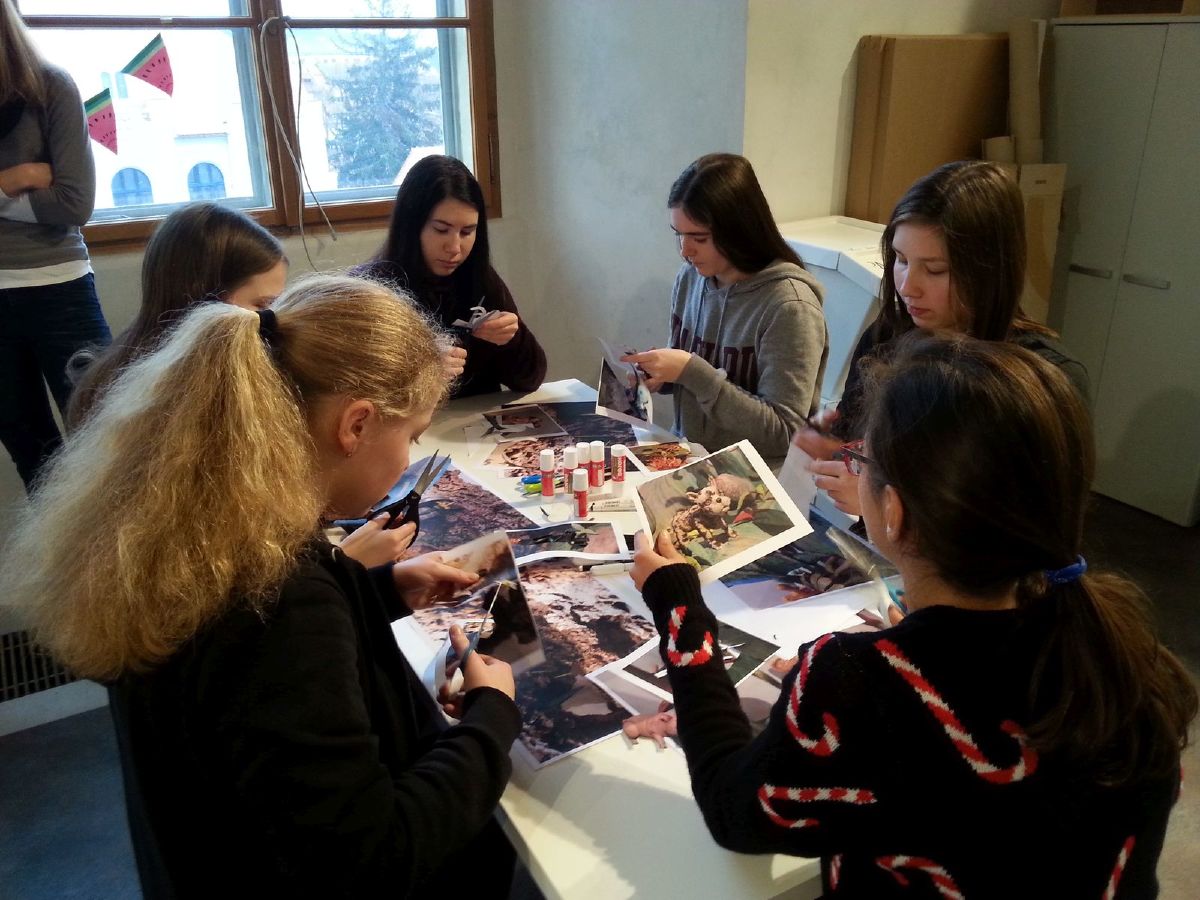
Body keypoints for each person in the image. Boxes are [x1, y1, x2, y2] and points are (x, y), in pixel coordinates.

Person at [1, 274, 522, 898]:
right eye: (410, 437)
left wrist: (377, 589)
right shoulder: (278, 599)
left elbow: (250, 690)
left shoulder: (191, 529)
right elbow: (368, 862)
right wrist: (491, 716)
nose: (408, 460)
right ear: (355, 425)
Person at [631, 334, 1196, 897]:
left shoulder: (853, 681)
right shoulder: (1131, 659)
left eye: (861, 460)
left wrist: (679, 604)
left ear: (894, 511)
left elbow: (733, 810)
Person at [64, 202, 412, 567]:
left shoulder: (133, 373)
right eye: (263, 306)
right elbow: (218, 557)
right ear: (207, 307)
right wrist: (341, 564)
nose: (275, 323)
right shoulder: (177, 413)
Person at [795, 159, 1088, 515]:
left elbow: (1034, 523)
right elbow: (855, 439)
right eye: (901, 260)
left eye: (935, 270)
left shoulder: (1041, 379)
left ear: (990, 269)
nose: (907, 287)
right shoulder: (887, 337)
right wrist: (834, 447)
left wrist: (883, 501)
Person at [624, 153, 828, 464]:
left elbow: (784, 433)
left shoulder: (790, 306)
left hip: (758, 478)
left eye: (699, 238)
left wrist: (691, 372)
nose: (685, 251)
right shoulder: (690, 278)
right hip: (690, 458)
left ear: (738, 231)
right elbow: (693, 376)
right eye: (678, 234)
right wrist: (663, 375)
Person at [0, 0, 111, 491]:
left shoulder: (51, 87)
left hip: (60, 289)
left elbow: (73, 203)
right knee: (33, 457)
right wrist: (16, 178)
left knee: (106, 443)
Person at [353, 154, 546, 398]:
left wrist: (512, 339)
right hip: (411, 422)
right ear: (411, 226)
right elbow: (356, 395)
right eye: (441, 230)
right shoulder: (372, 291)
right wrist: (419, 373)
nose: (455, 248)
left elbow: (531, 379)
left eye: (467, 232)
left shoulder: (479, 278)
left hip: (476, 419)